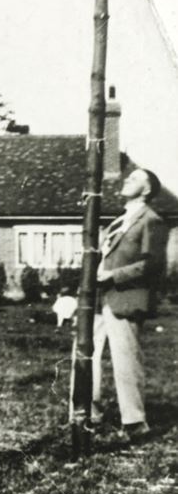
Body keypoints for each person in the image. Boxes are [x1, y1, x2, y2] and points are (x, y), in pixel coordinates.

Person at [93, 167, 168, 441]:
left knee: (125, 359)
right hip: (99, 297)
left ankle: (135, 423)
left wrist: (113, 275)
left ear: (147, 190)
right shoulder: (118, 221)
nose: (127, 179)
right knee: (87, 355)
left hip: (125, 297)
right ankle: (88, 416)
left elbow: (153, 264)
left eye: (135, 178)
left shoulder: (152, 220)